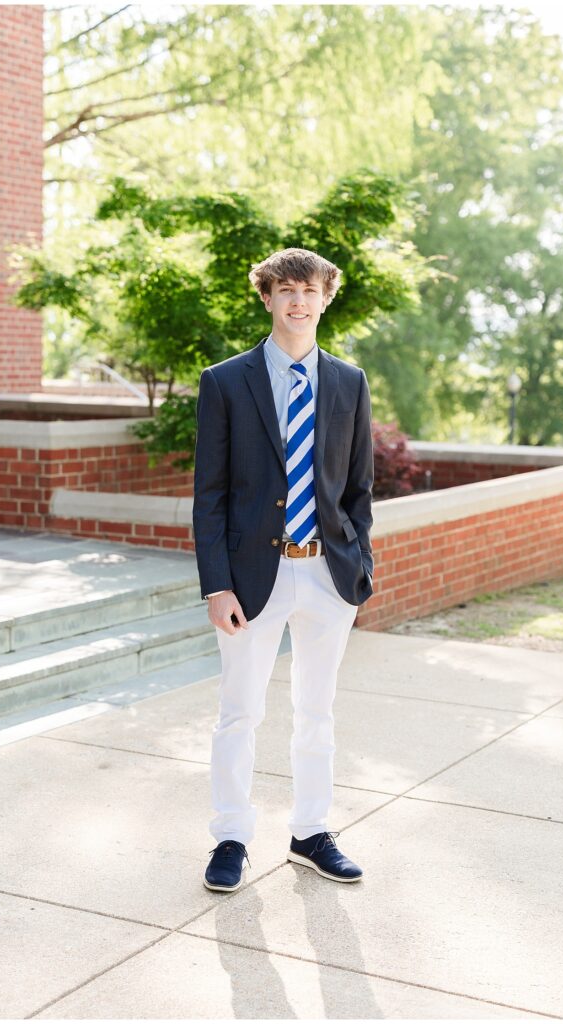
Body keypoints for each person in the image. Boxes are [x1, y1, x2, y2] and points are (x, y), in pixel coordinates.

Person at [192, 246, 374, 892]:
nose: (298, 301)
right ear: (266, 297)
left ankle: (310, 831)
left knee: (316, 712)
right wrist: (216, 583)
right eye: (285, 289)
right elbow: (209, 495)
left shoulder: (350, 383)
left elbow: (358, 491)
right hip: (250, 580)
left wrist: (358, 571)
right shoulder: (225, 382)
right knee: (240, 712)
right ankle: (232, 836)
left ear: (327, 298)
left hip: (328, 576)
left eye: (310, 290)